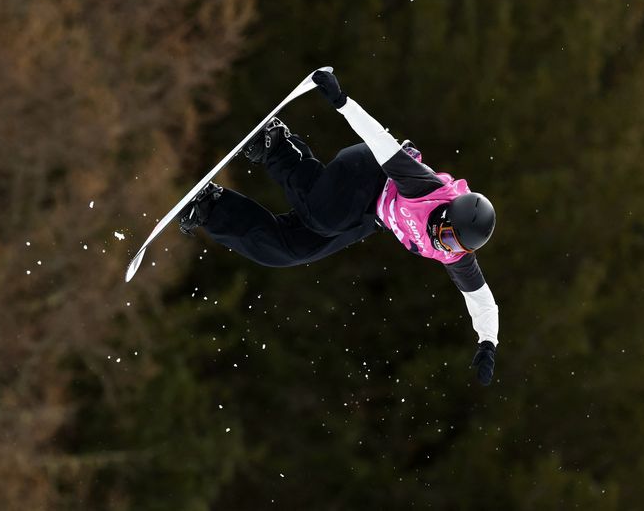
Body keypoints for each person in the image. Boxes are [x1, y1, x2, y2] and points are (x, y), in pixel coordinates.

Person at [178, 70, 499, 386]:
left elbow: (482, 300)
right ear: (445, 216)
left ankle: (211, 208)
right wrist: (342, 102)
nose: (445, 247)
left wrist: (487, 343)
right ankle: (274, 145)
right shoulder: (423, 188)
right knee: (324, 217)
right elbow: (380, 141)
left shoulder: (456, 256)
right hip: (370, 171)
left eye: (454, 247)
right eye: (446, 236)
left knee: (292, 249)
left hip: (372, 215)